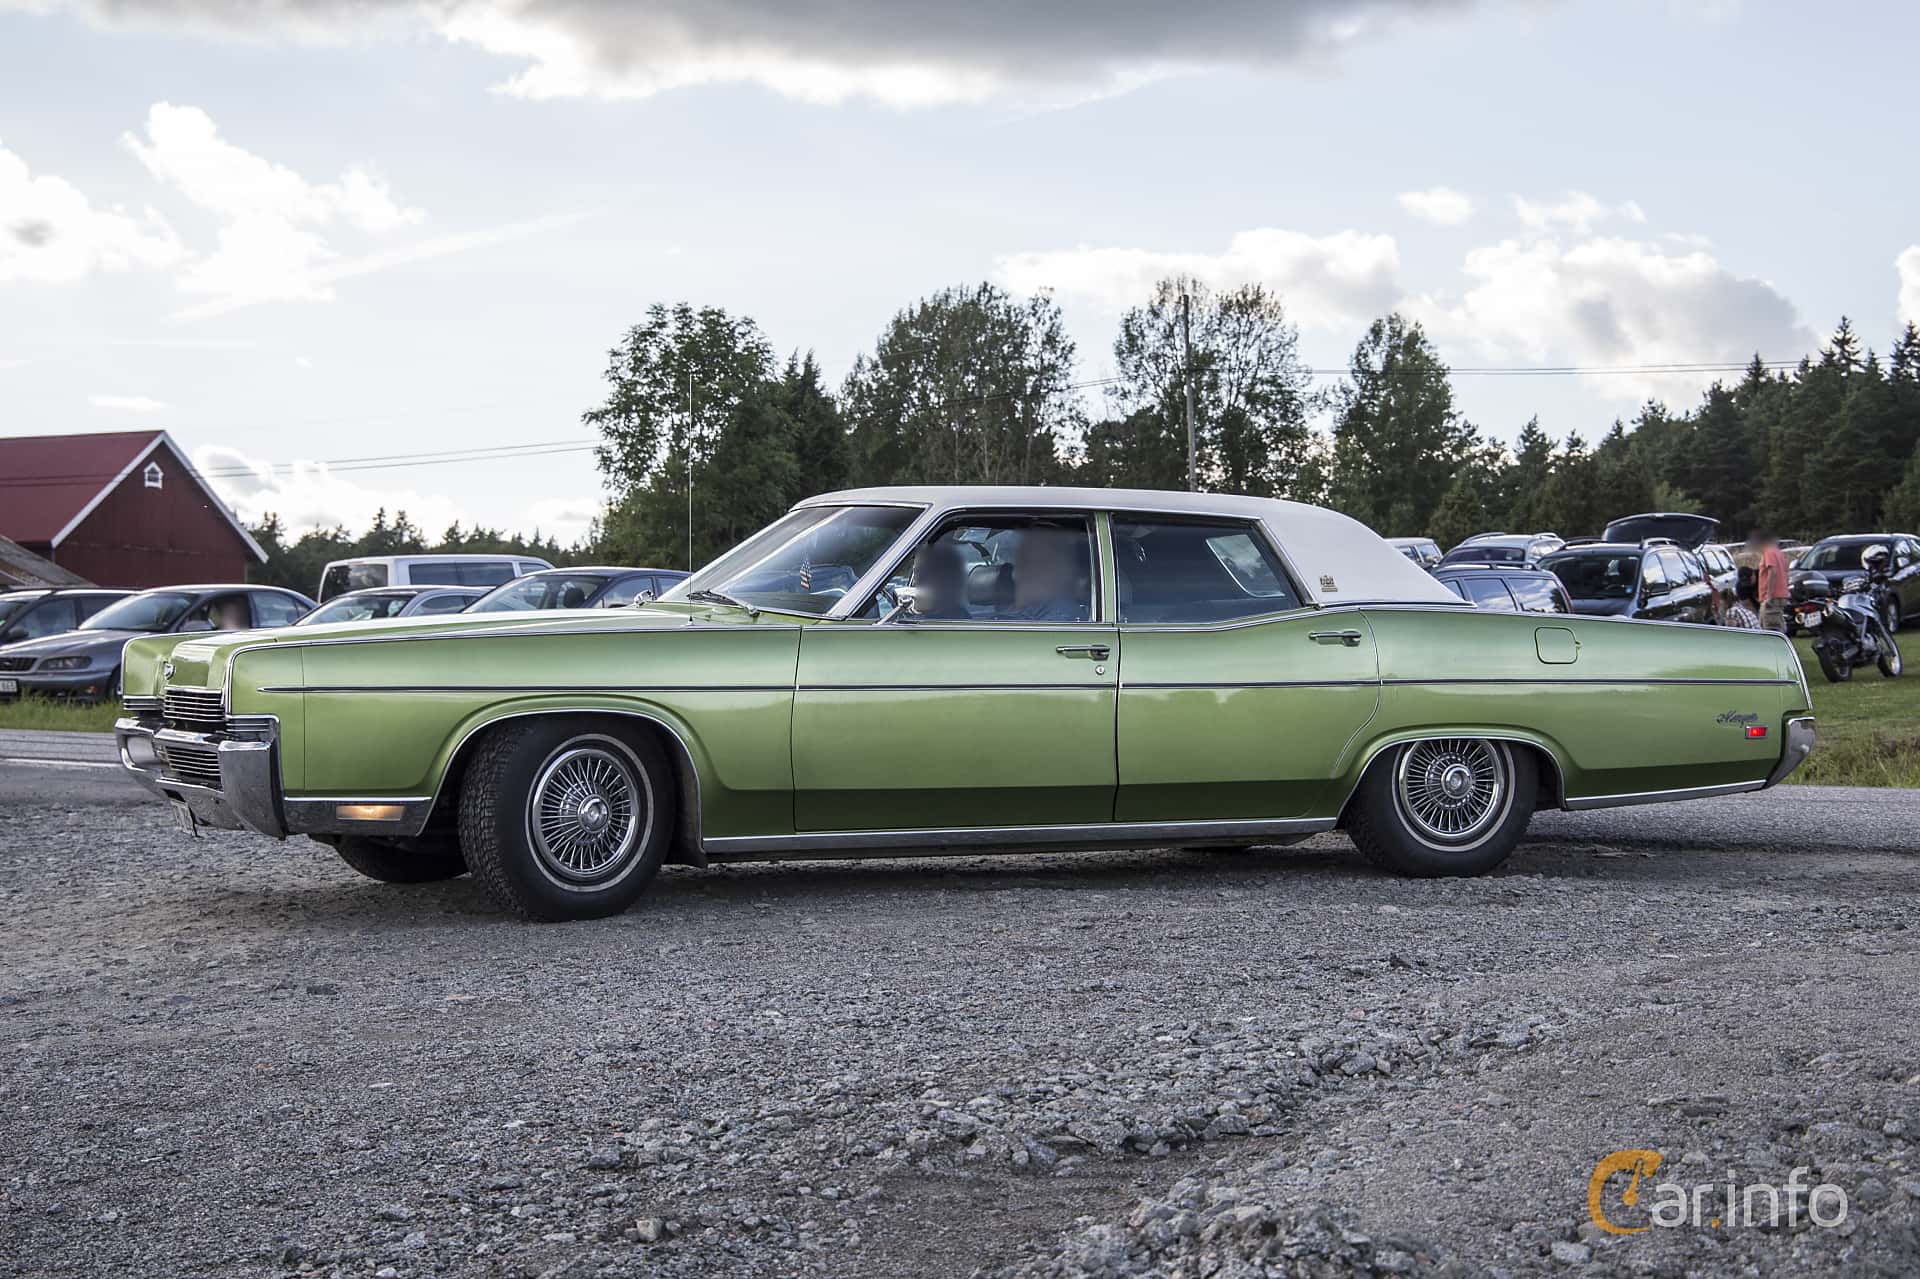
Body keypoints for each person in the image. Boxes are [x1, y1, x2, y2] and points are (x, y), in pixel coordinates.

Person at [1001, 526, 1088, 622]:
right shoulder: (991, 608)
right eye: (1023, 560)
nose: (1022, 571)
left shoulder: (1062, 618)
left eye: (1038, 561)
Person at [905, 541, 970, 620]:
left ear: (949, 581)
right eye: (916, 572)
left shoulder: (955, 623)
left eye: (925, 573)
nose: (915, 582)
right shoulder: (910, 617)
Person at [1752, 528, 1790, 633]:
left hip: (1772, 597)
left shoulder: (1769, 552)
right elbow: (1786, 572)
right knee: (1775, 624)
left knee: (1770, 628)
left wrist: (1768, 595)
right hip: (1780, 595)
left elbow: (1772, 571)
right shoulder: (1779, 553)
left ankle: (1773, 649)